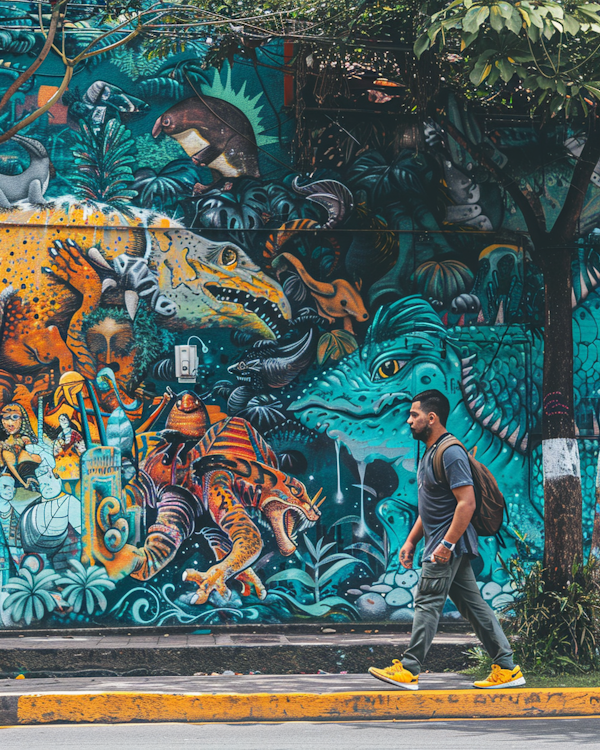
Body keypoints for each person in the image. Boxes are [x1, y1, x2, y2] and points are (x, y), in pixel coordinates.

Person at [368, 389, 525, 691]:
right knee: (473, 606)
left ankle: (410, 668)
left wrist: (446, 545)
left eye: (414, 415)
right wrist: (411, 541)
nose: (409, 421)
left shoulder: (450, 452)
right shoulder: (431, 452)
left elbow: (466, 503)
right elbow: (430, 507)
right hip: (443, 543)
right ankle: (507, 667)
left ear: (432, 417)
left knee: (427, 601)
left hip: (447, 546)